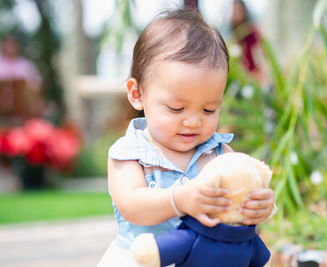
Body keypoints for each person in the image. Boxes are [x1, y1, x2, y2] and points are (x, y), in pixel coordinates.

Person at [98, 8, 275, 266]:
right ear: (137, 94)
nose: (193, 121)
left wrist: (260, 205)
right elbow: (132, 205)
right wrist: (179, 199)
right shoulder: (129, 153)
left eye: (209, 109)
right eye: (176, 108)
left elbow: (240, 193)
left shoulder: (218, 153)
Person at [231, 0, 268, 85]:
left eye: (238, 9)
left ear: (244, 10)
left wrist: (259, 75)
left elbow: (260, 57)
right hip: (242, 80)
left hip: (256, 79)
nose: (235, 12)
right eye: (234, 10)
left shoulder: (252, 32)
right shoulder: (235, 36)